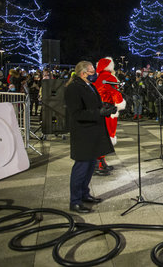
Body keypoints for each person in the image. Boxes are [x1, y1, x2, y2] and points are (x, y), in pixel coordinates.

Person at [65, 61, 115, 213]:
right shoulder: (73, 88)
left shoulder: (90, 86)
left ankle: (84, 194)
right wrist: (98, 113)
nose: (95, 74)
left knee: (91, 165)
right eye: (92, 71)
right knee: (81, 167)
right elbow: (77, 113)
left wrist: (106, 107)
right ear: (83, 73)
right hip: (83, 133)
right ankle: (75, 201)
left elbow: (94, 105)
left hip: (93, 132)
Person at [93, 57, 126, 175]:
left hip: (101, 110)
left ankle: (102, 162)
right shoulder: (109, 78)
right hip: (109, 110)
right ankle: (99, 164)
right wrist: (120, 104)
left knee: (102, 136)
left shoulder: (99, 78)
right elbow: (115, 93)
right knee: (107, 136)